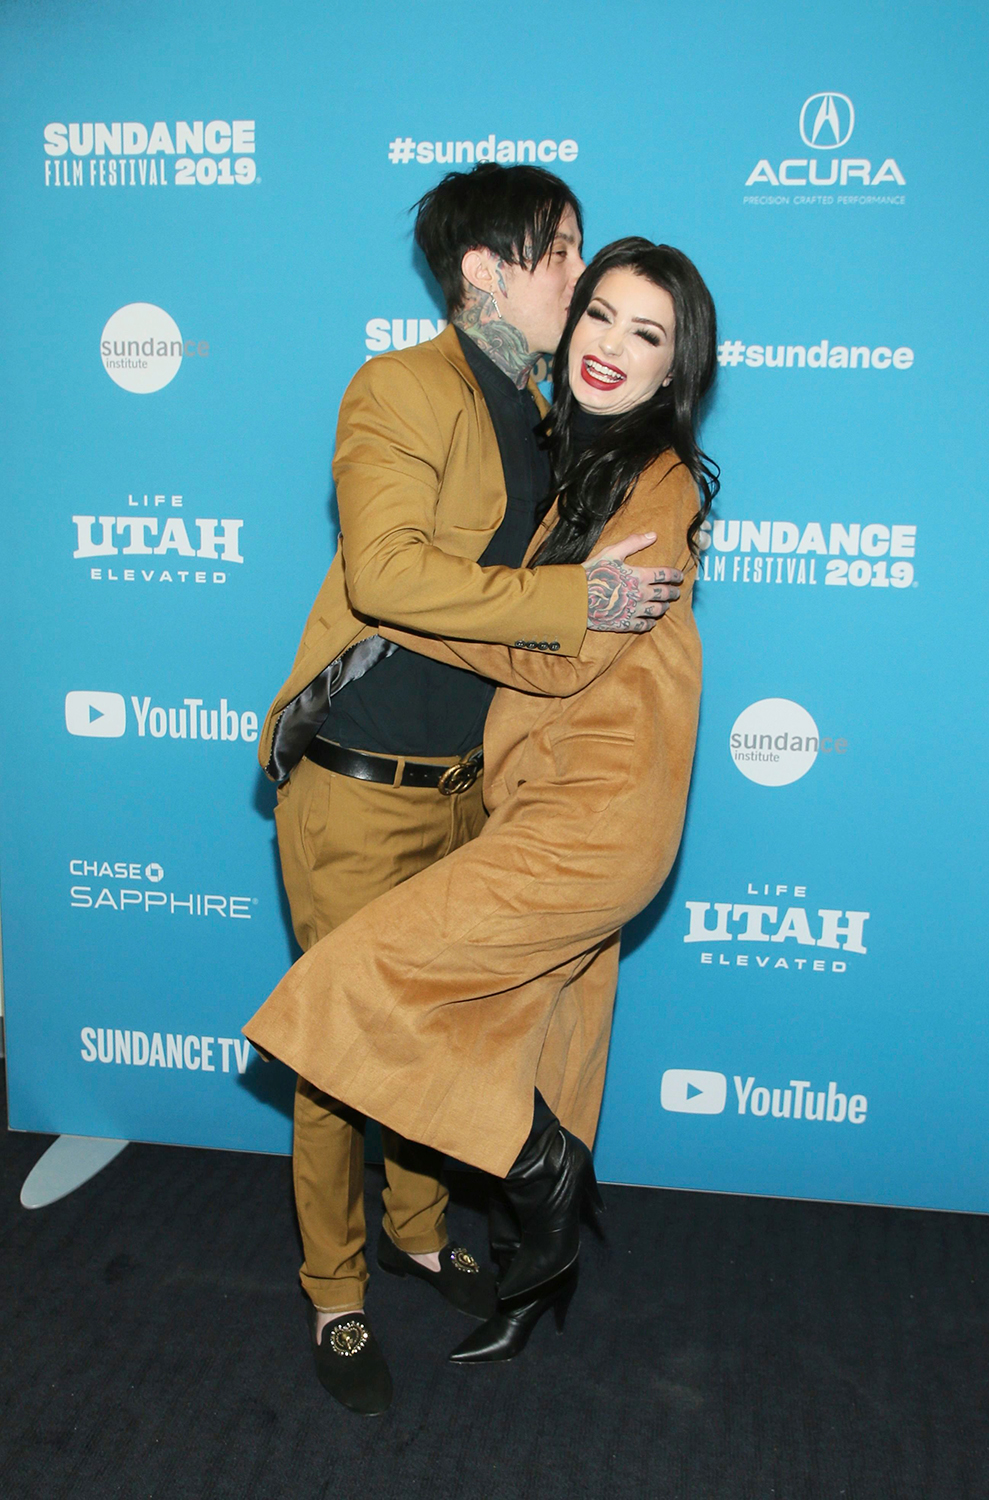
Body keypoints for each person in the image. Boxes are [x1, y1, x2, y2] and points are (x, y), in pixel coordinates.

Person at [247, 237, 718, 1385]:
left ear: (676, 372)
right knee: (536, 1032)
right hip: (536, 804)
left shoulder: (654, 482)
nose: (607, 344)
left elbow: (557, 666)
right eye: (598, 311)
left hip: (594, 815)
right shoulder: (567, 445)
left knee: (348, 991)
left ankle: (542, 1173)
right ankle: (532, 1258)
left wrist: (392, 597)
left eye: (644, 335)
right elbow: (536, 617)